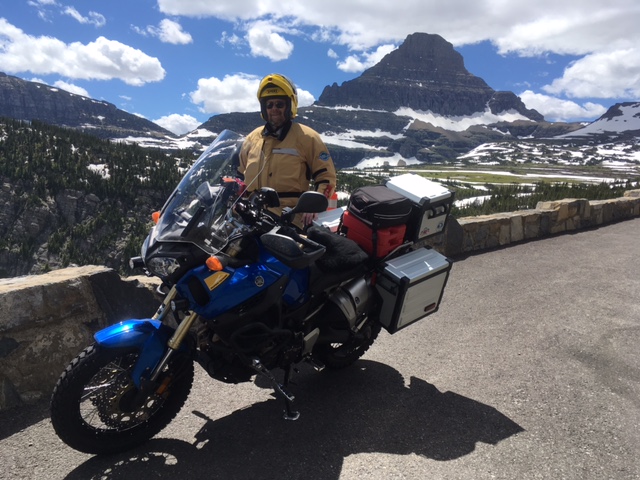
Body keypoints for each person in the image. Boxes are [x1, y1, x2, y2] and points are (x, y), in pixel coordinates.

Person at [238, 73, 336, 228]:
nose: (274, 109)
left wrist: (313, 207)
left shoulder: (307, 137)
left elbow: (326, 177)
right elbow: (239, 175)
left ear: (289, 106)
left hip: (288, 220)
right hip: (250, 217)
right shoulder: (252, 138)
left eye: (279, 104)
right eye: (269, 105)